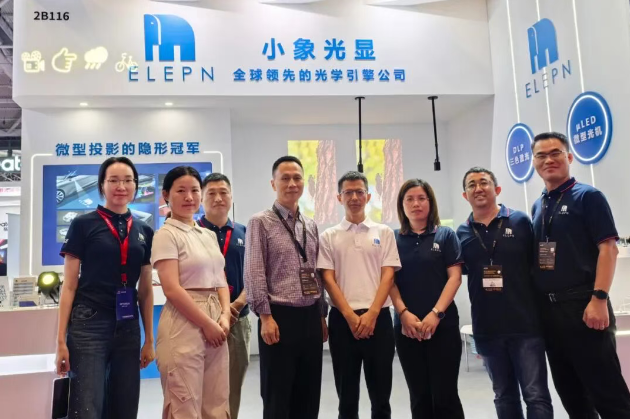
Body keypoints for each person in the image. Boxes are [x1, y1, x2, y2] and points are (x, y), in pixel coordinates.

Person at [531, 132, 630, 418]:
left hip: (585, 306)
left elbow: (608, 249)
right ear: (534, 162)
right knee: (572, 395)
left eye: (555, 153)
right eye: (541, 155)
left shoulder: (588, 196)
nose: (548, 160)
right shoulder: (539, 205)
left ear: (569, 157)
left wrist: (599, 298)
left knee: (608, 394)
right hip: (550, 313)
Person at [55, 157, 155, 419]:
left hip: (128, 326)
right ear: (102, 185)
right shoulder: (82, 224)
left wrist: (149, 339)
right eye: (114, 180)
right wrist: (60, 341)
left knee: (125, 406)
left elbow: (145, 290)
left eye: (128, 180)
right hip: (89, 323)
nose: (121, 186)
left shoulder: (144, 230)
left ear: (135, 185)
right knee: (87, 407)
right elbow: (69, 286)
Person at [457, 167, 553, 419]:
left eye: (484, 182)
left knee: (536, 395)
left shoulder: (520, 221)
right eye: (471, 185)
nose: (478, 188)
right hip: (487, 328)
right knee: (503, 395)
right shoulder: (462, 232)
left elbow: (541, 264)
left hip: (525, 326)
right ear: (465, 195)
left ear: (497, 189)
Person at [244, 156, 328, 419]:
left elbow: (316, 273)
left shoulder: (310, 224)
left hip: (311, 317)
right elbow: (254, 271)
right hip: (278, 318)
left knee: (309, 393)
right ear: (273, 183)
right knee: (278, 396)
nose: (292, 183)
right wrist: (265, 316)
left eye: (297, 178)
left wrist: (321, 315)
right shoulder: (260, 222)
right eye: (285, 178)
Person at [317, 171, 400, 419]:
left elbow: (388, 275)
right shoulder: (329, 236)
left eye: (359, 192)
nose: (354, 197)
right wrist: (350, 316)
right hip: (343, 321)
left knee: (381, 396)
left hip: (379, 319)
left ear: (368, 196)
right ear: (339, 197)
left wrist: (372, 314)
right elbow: (328, 279)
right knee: (347, 397)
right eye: (348, 192)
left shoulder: (384, 232)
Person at [152, 166, 231, 419]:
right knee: (184, 403)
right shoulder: (166, 235)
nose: (189, 197)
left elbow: (220, 279)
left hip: (216, 318)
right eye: (181, 191)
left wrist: (225, 315)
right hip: (184, 322)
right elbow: (172, 289)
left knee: (216, 403)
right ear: (166, 195)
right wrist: (207, 323)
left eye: (195, 190)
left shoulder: (207, 235)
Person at [389, 179, 465, 419]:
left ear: (430, 202)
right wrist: (403, 314)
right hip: (406, 328)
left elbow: (454, 278)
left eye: (421, 198)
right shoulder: (393, 239)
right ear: (402, 205)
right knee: (419, 395)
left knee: (445, 395)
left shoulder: (445, 235)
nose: (416, 204)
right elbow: (389, 282)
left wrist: (436, 314)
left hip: (443, 325)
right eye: (409, 199)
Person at [198, 172, 250, 419]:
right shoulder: (192, 232)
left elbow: (255, 275)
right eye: (211, 193)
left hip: (238, 319)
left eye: (223, 192)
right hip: (201, 320)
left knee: (232, 385)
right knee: (200, 386)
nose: (218, 198)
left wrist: (235, 307)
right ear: (201, 198)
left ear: (231, 197)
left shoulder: (244, 232)